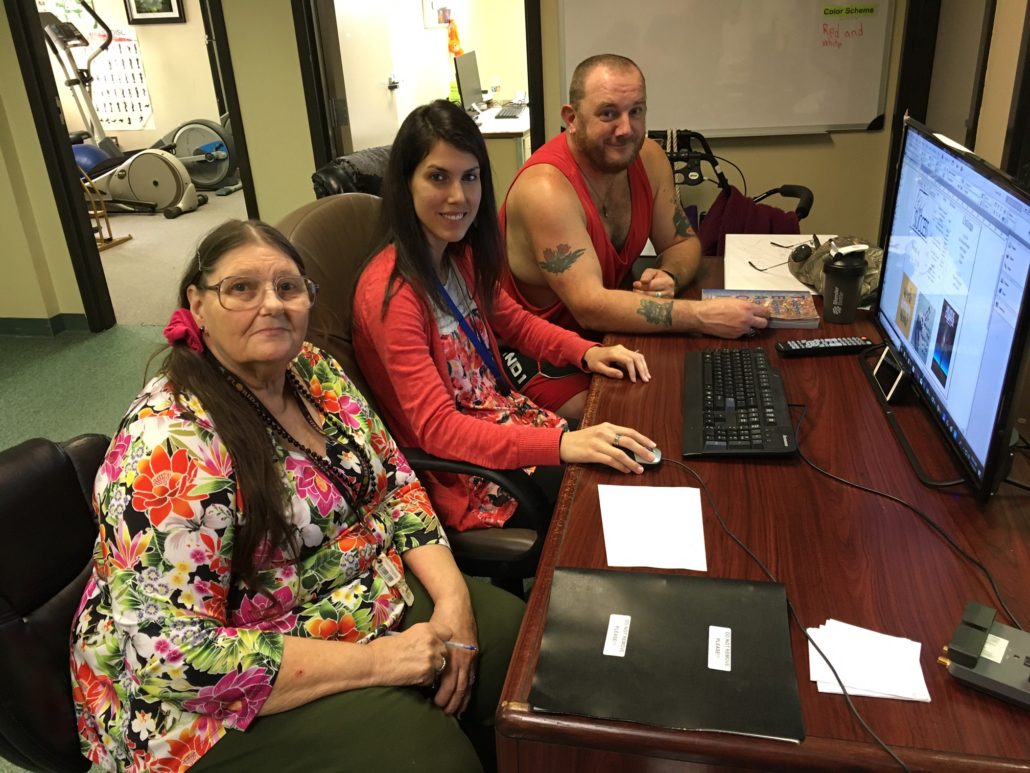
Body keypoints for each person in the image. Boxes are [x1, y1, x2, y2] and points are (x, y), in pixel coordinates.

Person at [69, 219, 525, 773]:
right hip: (203, 699)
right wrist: (379, 663)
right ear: (198, 303)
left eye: (288, 288)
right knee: (429, 758)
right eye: (241, 288)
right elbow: (172, 655)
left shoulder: (311, 369)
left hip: (347, 601)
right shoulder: (169, 448)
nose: (272, 305)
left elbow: (395, 487)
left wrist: (455, 603)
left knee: (520, 652)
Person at [352, 99, 657, 534]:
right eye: (438, 177)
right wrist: (561, 444)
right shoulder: (393, 295)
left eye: (470, 177)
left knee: (629, 448)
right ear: (406, 184)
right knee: (608, 500)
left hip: (506, 419)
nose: (459, 197)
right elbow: (438, 430)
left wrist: (588, 352)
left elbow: (514, 323)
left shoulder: (458, 255)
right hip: (467, 473)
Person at [499, 53, 772, 410]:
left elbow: (683, 241)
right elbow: (590, 306)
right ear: (572, 119)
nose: (626, 129)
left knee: (706, 391)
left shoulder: (649, 158)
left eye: (636, 111)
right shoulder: (545, 189)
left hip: (606, 336)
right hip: (536, 351)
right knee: (639, 416)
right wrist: (704, 316)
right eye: (608, 113)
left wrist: (670, 274)